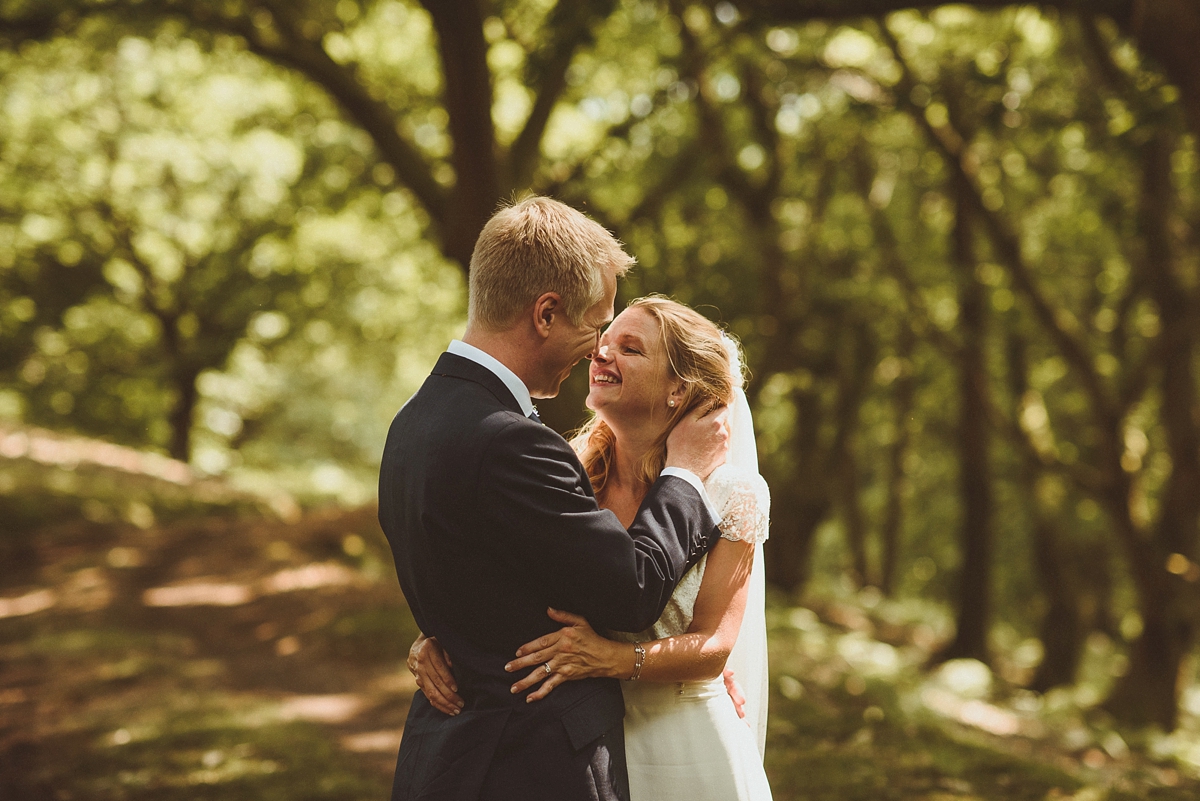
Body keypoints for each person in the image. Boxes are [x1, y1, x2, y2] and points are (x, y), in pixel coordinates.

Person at [378, 197, 729, 801]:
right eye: (596, 327)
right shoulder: (513, 442)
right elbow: (630, 590)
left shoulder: (413, 421)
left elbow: (476, 572)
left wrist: (443, 635)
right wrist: (689, 475)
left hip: (444, 758)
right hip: (528, 765)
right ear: (546, 314)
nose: (598, 350)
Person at [413, 297, 773, 801]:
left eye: (630, 349)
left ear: (678, 390)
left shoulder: (731, 492)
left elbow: (713, 646)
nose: (601, 354)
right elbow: (497, 579)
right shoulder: (572, 474)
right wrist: (439, 636)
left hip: (684, 743)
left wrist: (613, 658)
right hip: (583, 743)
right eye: (604, 343)